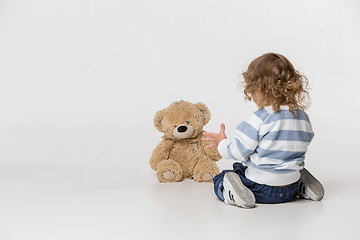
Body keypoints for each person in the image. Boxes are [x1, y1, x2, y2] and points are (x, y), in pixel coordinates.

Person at [202, 53, 324, 208]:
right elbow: (305, 141)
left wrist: (222, 144)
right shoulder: (302, 116)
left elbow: (239, 151)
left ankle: (235, 194)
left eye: (252, 90)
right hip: (290, 187)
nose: (251, 95)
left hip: (262, 189)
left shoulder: (260, 118)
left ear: (263, 90)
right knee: (251, 168)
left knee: (226, 175)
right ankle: (301, 183)